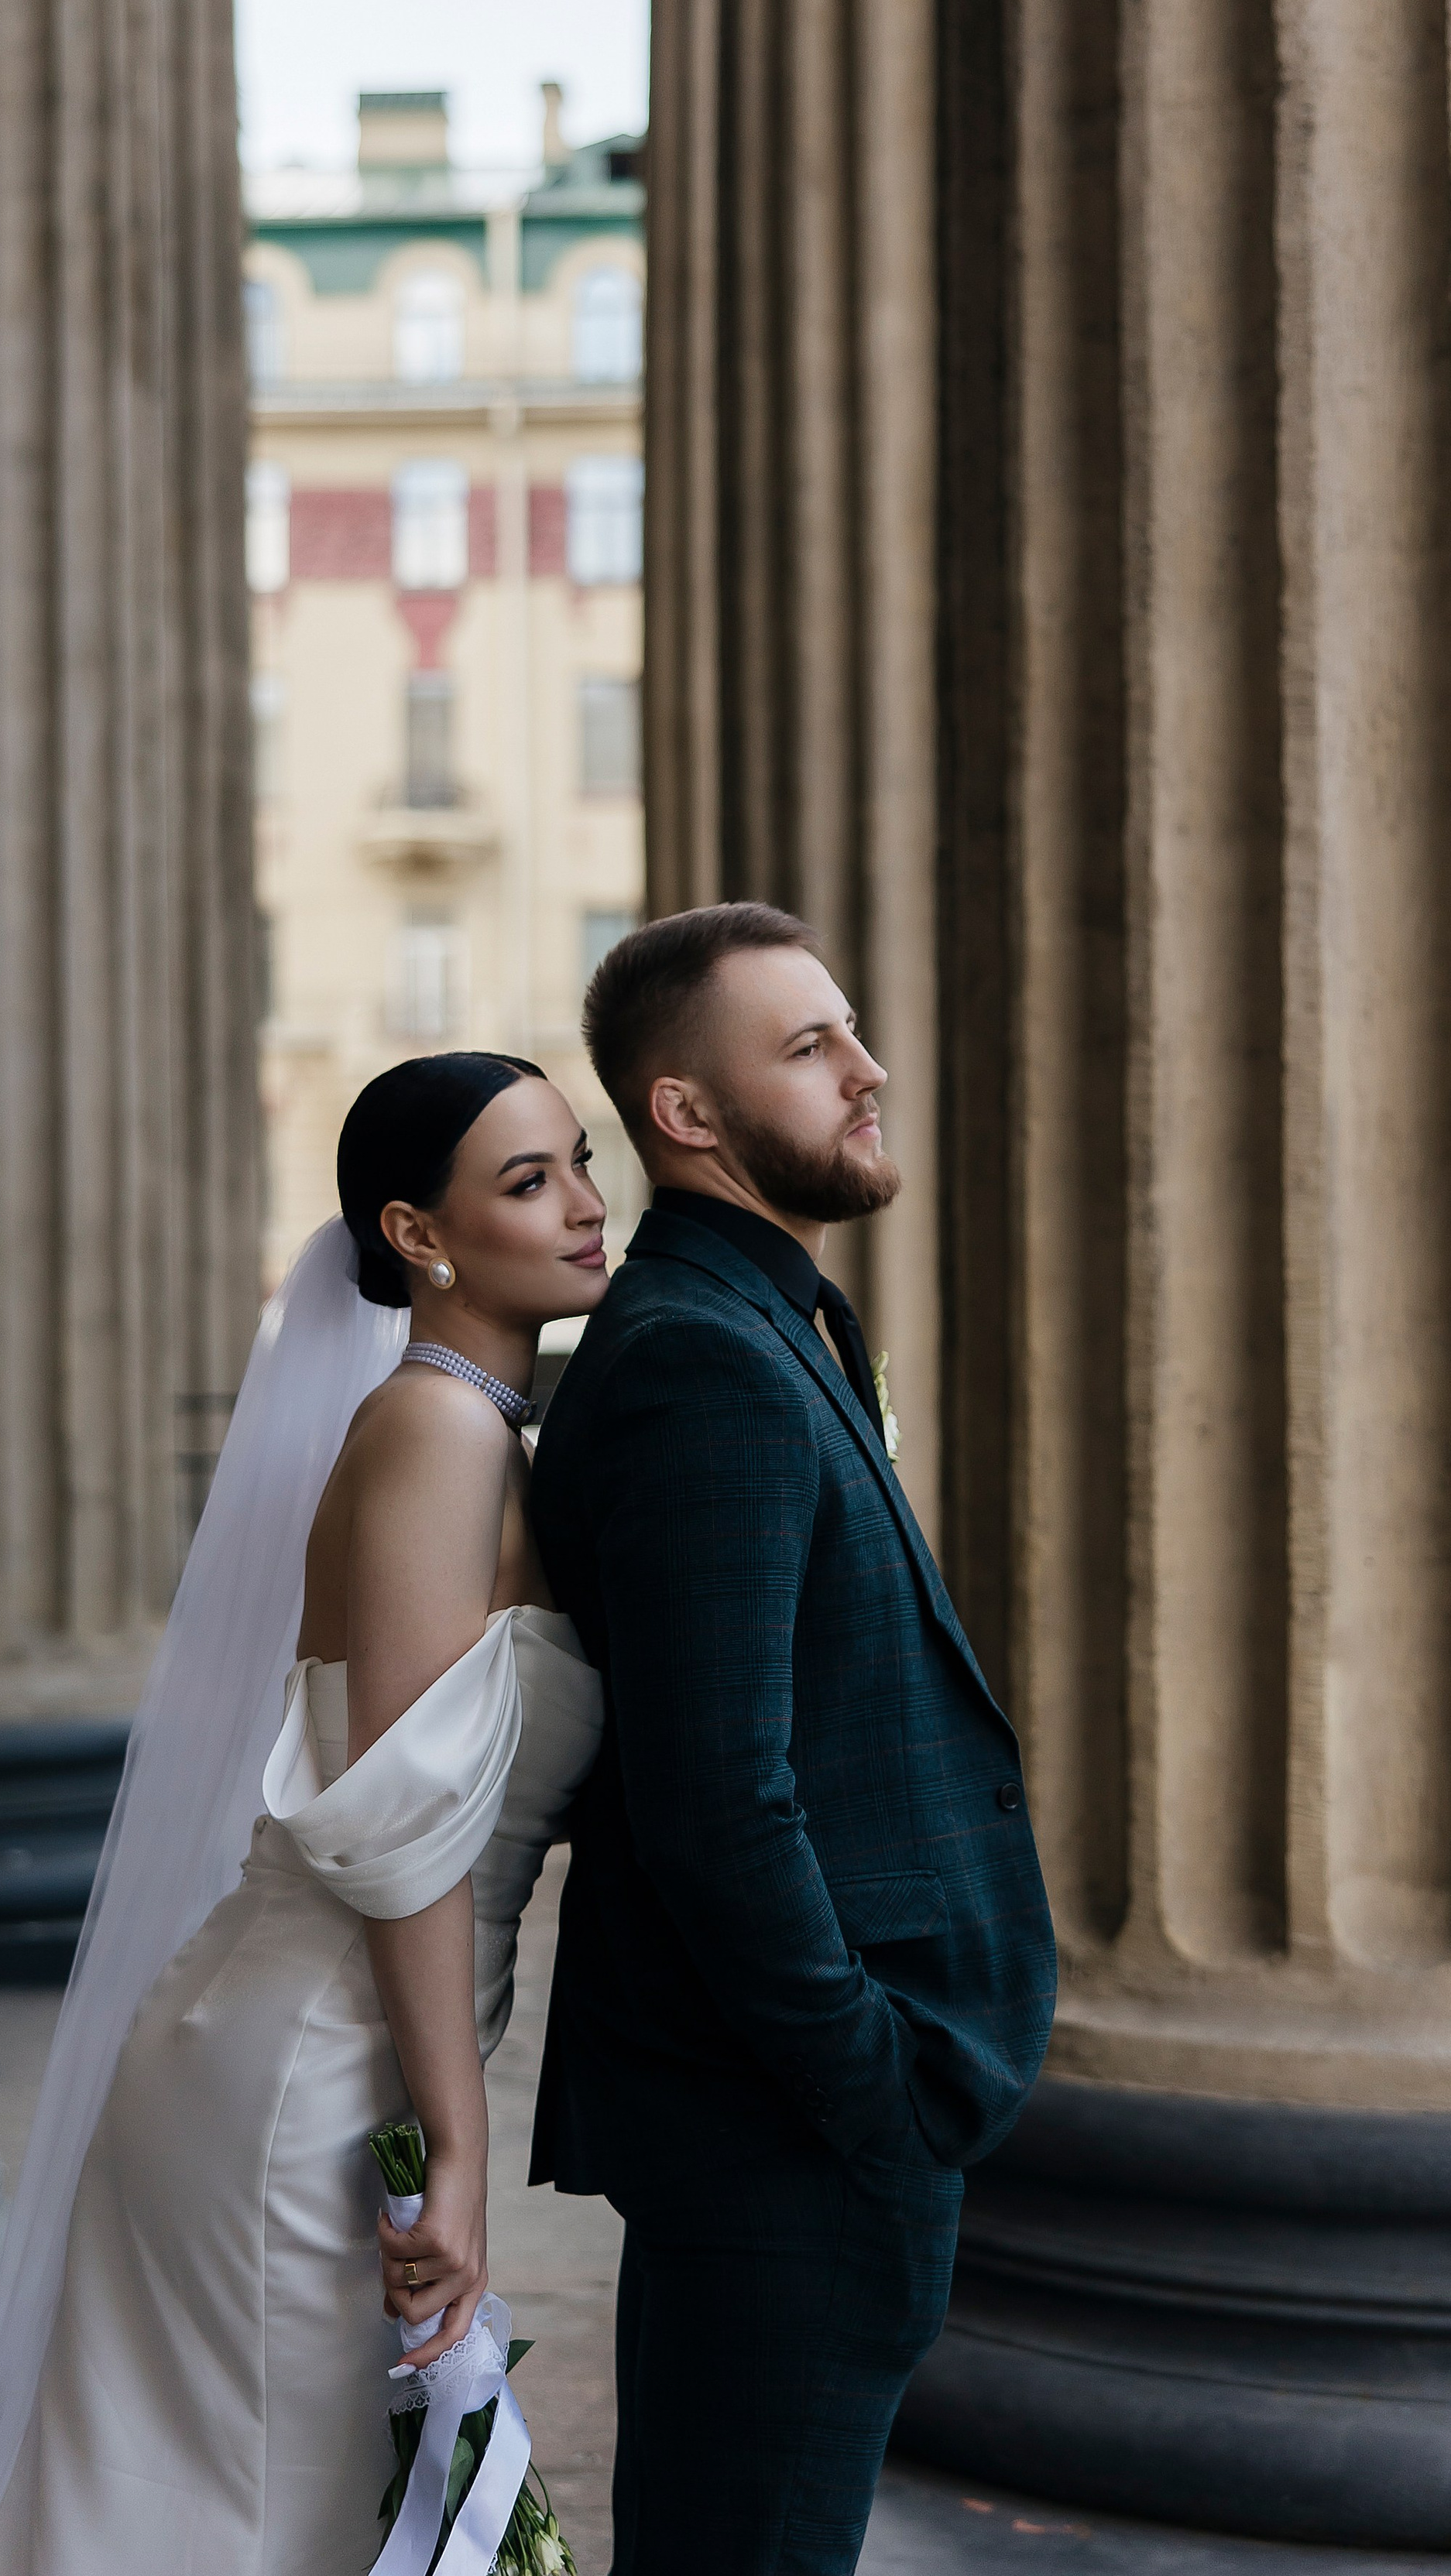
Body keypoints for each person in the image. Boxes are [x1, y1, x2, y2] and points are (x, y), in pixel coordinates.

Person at [0, 1052, 610, 2576]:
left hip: (300, 2039)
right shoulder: (436, 1433)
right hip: (315, 2077)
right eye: (526, 1180)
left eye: (575, 1160)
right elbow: (403, 1837)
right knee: (258, 2523)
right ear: (416, 1234)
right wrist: (454, 2146)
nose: (583, 1203)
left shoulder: (466, 1427)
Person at [529, 902, 1057, 2576]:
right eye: (809, 1044)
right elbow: (714, 1802)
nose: (867, 1066)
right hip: (787, 2135)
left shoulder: (758, 1324)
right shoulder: (701, 1360)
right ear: (685, 1113)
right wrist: (870, 2091)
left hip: (800, 2127)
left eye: (848, 1029)